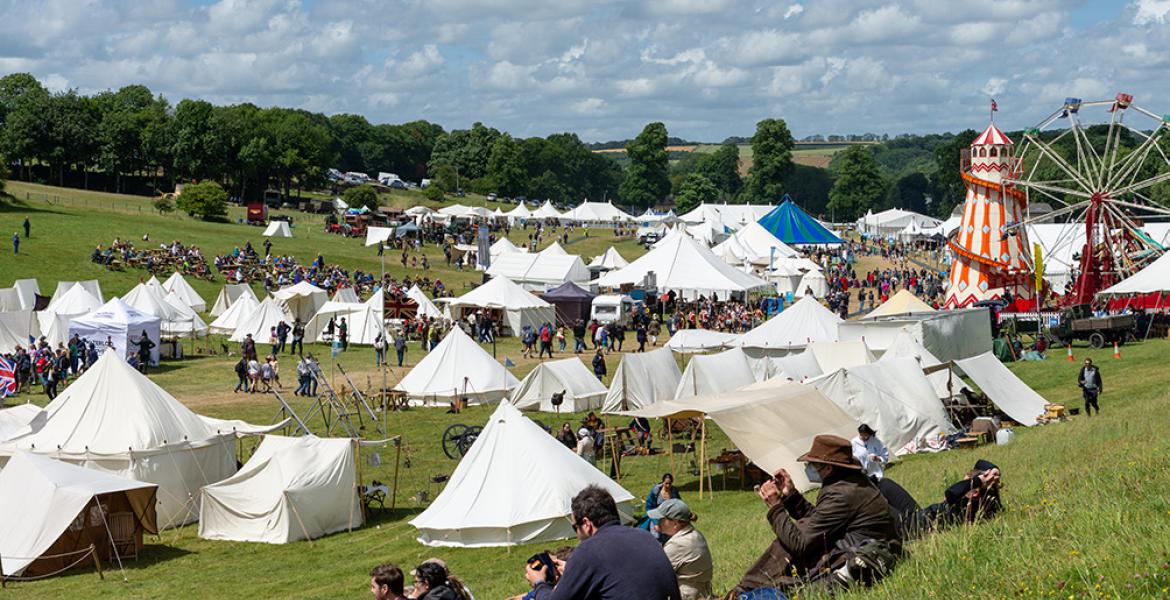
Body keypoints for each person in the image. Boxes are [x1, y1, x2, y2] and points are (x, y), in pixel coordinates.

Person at [733, 434, 900, 595]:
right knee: (798, 531)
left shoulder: (841, 493)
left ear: (828, 468)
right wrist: (791, 495)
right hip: (863, 545)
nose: (809, 468)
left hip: (857, 553)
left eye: (813, 464)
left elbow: (800, 543)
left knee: (788, 540)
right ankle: (745, 590)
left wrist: (775, 507)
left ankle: (742, 591)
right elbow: (823, 521)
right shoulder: (850, 482)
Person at [525, 485, 681, 599]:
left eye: (575, 527)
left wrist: (539, 583)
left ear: (586, 524)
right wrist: (573, 571)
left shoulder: (588, 550)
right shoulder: (643, 536)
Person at [650, 499, 712, 600]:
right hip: (701, 593)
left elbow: (656, 576)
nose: (658, 522)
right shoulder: (696, 534)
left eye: (662, 519)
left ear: (675, 524)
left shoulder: (677, 544)